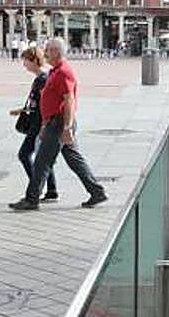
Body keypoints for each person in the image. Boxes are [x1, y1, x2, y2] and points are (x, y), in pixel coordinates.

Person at [9, 37, 107, 211]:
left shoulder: (63, 72)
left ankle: (32, 199)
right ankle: (97, 191)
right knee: (74, 159)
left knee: (42, 162)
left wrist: (67, 127)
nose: (45, 53)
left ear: (55, 52)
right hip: (56, 122)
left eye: (47, 50)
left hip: (59, 123)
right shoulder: (56, 71)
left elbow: (69, 99)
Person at [11, 46, 58, 202]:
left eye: (25, 60)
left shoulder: (43, 80)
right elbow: (35, 103)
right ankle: (51, 191)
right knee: (43, 158)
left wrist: (43, 126)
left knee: (24, 155)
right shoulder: (39, 79)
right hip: (36, 123)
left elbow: (45, 104)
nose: (24, 64)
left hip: (38, 125)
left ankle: (36, 187)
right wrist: (22, 110)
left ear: (33, 61)